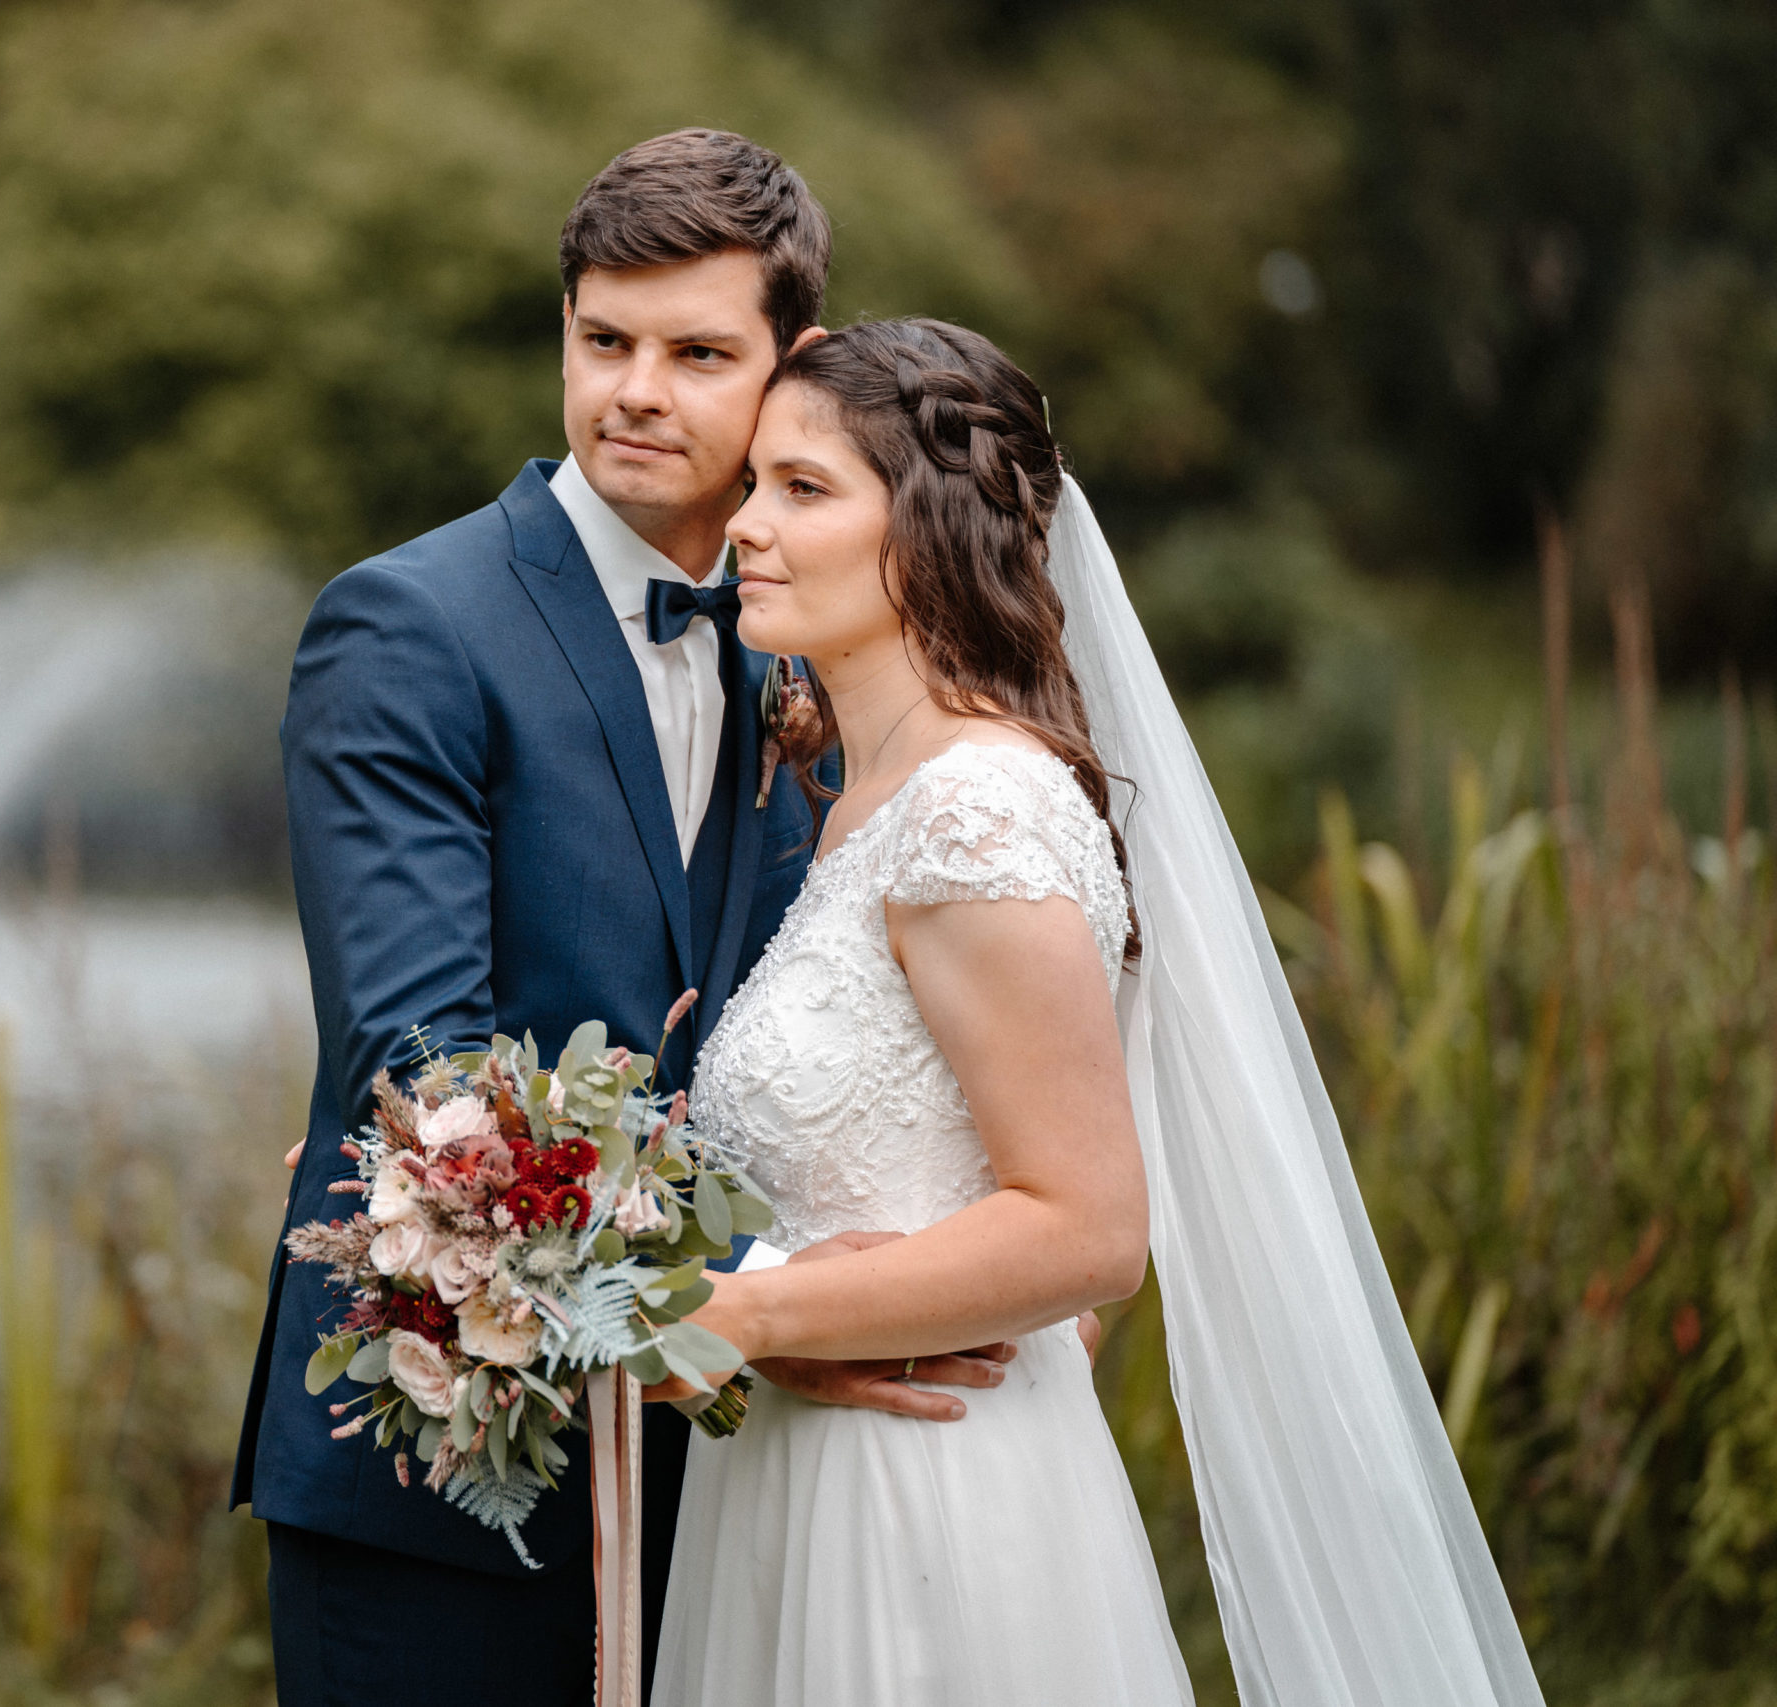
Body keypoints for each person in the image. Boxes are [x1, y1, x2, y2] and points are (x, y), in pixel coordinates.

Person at [648, 317, 1546, 1707]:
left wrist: (748, 1320)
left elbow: (1086, 1228)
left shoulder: (975, 811)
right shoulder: (861, 800)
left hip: (924, 1498)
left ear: (932, 529)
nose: (746, 527)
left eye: (804, 490)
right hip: (803, 1476)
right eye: (755, 483)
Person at [231, 134, 1019, 1706]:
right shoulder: (408, 627)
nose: (636, 391)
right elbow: (425, 1076)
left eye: (696, 352)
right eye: (605, 341)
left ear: (791, 365)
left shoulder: (806, 636)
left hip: (746, 1486)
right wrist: (751, 1310)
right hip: (445, 1482)